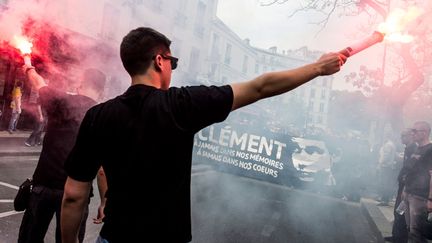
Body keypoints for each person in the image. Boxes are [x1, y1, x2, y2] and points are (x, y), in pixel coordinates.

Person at [60, 27, 346, 243]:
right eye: (173, 61)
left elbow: (74, 196)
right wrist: (318, 68)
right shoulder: (182, 105)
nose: (173, 68)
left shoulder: (98, 116)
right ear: (160, 61)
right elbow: (260, 87)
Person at [18, 66, 108, 243]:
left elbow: (38, 83)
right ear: (102, 90)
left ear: (80, 84)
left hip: (43, 187)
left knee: (30, 238)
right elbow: (102, 169)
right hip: (77, 193)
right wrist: (104, 202)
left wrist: (28, 67)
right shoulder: (103, 116)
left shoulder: (62, 101)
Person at [402, 121, 432, 243]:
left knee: (417, 232)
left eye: (415, 131)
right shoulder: (416, 148)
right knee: (410, 229)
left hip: (420, 196)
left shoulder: (430, 150)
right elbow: (411, 171)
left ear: (424, 133)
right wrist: (404, 190)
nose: (412, 133)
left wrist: (430, 199)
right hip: (409, 193)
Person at [388, 129, 417, 243]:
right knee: (398, 210)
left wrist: (406, 184)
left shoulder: (414, 149)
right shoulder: (408, 149)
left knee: (401, 212)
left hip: (407, 187)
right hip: (403, 185)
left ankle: (400, 238)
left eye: (403, 136)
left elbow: (411, 169)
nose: (401, 138)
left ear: (411, 136)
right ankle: (395, 236)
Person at [377, 132, 397, 206]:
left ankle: (384, 200)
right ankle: (384, 199)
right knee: (385, 183)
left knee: (384, 183)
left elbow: (386, 155)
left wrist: (380, 163)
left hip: (386, 166)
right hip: (387, 166)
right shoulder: (391, 144)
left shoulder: (388, 145)